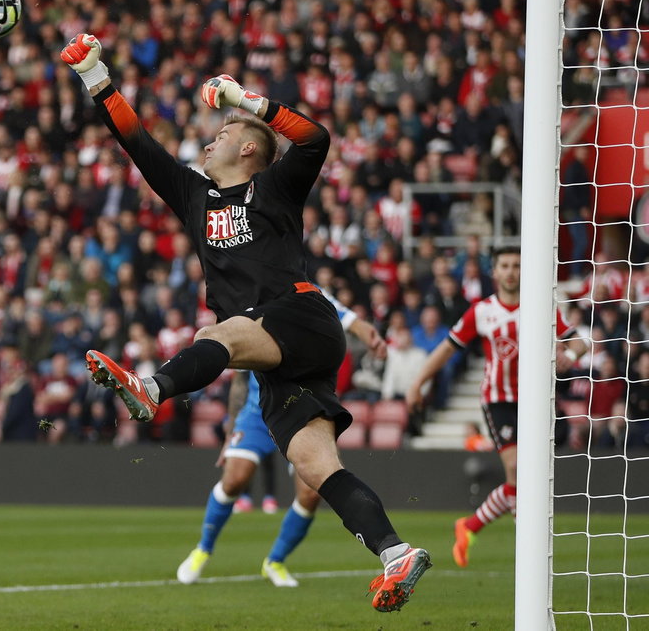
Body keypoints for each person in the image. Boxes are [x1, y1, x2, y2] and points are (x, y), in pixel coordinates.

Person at [61, 33, 430, 612]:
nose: (210, 141)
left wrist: (247, 102)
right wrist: (94, 75)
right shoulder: (194, 194)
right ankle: (395, 552)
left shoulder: (275, 187)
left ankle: (150, 389)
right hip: (277, 357)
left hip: (299, 314)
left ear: (251, 150)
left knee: (217, 334)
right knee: (314, 466)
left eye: (222, 135)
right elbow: (137, 143)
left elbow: (316, 138)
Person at [178, 292, 388, 587]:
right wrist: (230, 432)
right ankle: (202, 550)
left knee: (311, 494)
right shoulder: (254, 296)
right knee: (234, 479)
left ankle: (275, 561)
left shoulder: (306, 292)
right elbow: (239, 378)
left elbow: (343, 314)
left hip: (305, 407)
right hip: (256, 411)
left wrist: (364, 330)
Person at [407, 247, 587, 568]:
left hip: (536, 401)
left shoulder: (540, 307)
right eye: (505, 265)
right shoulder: (481, 312)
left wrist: (569, 357)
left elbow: (579, 342)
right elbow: (446, 349)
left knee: (525, 479)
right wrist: (418, 382)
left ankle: (470, 525)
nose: (511, 271)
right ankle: (529, 551)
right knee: (517, 468)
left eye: (517, 265)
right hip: (499, 399)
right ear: (495, 271)